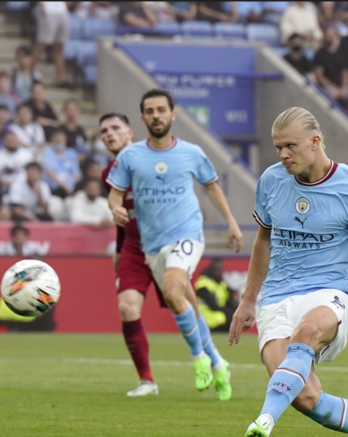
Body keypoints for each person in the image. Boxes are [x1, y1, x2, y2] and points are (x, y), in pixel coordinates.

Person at [229, 107, 348, 437]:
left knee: (309, 330)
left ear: (315, 141)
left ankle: (265, 420)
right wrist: (248, 300)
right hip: (276, 296)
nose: (283, 155)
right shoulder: (271, 181)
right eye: (278, 147)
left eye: (290, 146)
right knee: (305, 397)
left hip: (332, 291)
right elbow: (263, 242)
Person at [107, 90, 242, 398]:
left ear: (172, 114)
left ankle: (198, 361)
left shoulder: (192, 152)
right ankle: (219, 364)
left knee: (171, 291)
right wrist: (114, 207)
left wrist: (231, 221)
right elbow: (115, 192)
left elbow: (211, 187)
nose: (156, 115)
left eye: (161, 110)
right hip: (152, 245)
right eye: (150, 111)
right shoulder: (130, 156)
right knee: (186, 305)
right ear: (142, 118)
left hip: (187, 235)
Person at [99, 112, 164, 396]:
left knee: (182, 307)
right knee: (127, 307)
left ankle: (212, 361)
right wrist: (118, 247)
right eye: (104, 131)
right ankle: (146, 381)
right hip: (133, 249)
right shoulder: (108, 175)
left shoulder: (151, 163)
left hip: (165, 247)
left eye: (115, 128)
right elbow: (121, 215)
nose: (109, 134)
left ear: (130, 133)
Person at [195, 258, 240, 332]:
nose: (218, 271)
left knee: (235, 316)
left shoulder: (220, 283)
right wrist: (230, 313)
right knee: (226, 317)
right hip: (206, 317)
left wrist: (234, 298)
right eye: (216, 268)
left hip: (218, 314)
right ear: (211, 268)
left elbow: (232, 293)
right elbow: (213, 305)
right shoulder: (203, 284)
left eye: (220, 268)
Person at [31, 2, 69, 84]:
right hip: (48, 10)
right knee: (42, 44)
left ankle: (61, 77)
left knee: (60, 46)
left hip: (62, 11)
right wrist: (41, 5)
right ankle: (28, 72)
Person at [41, 129, 80, 198]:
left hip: (71, 187)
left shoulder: (72, 153)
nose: (59, 141)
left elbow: (76, 174)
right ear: (52, 139)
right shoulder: (47, 153)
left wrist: (70, 185)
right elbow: (50, 173)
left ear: (65, 139)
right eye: (56, 138)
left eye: (61, 138)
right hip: (54, 188)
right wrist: (65, 187)